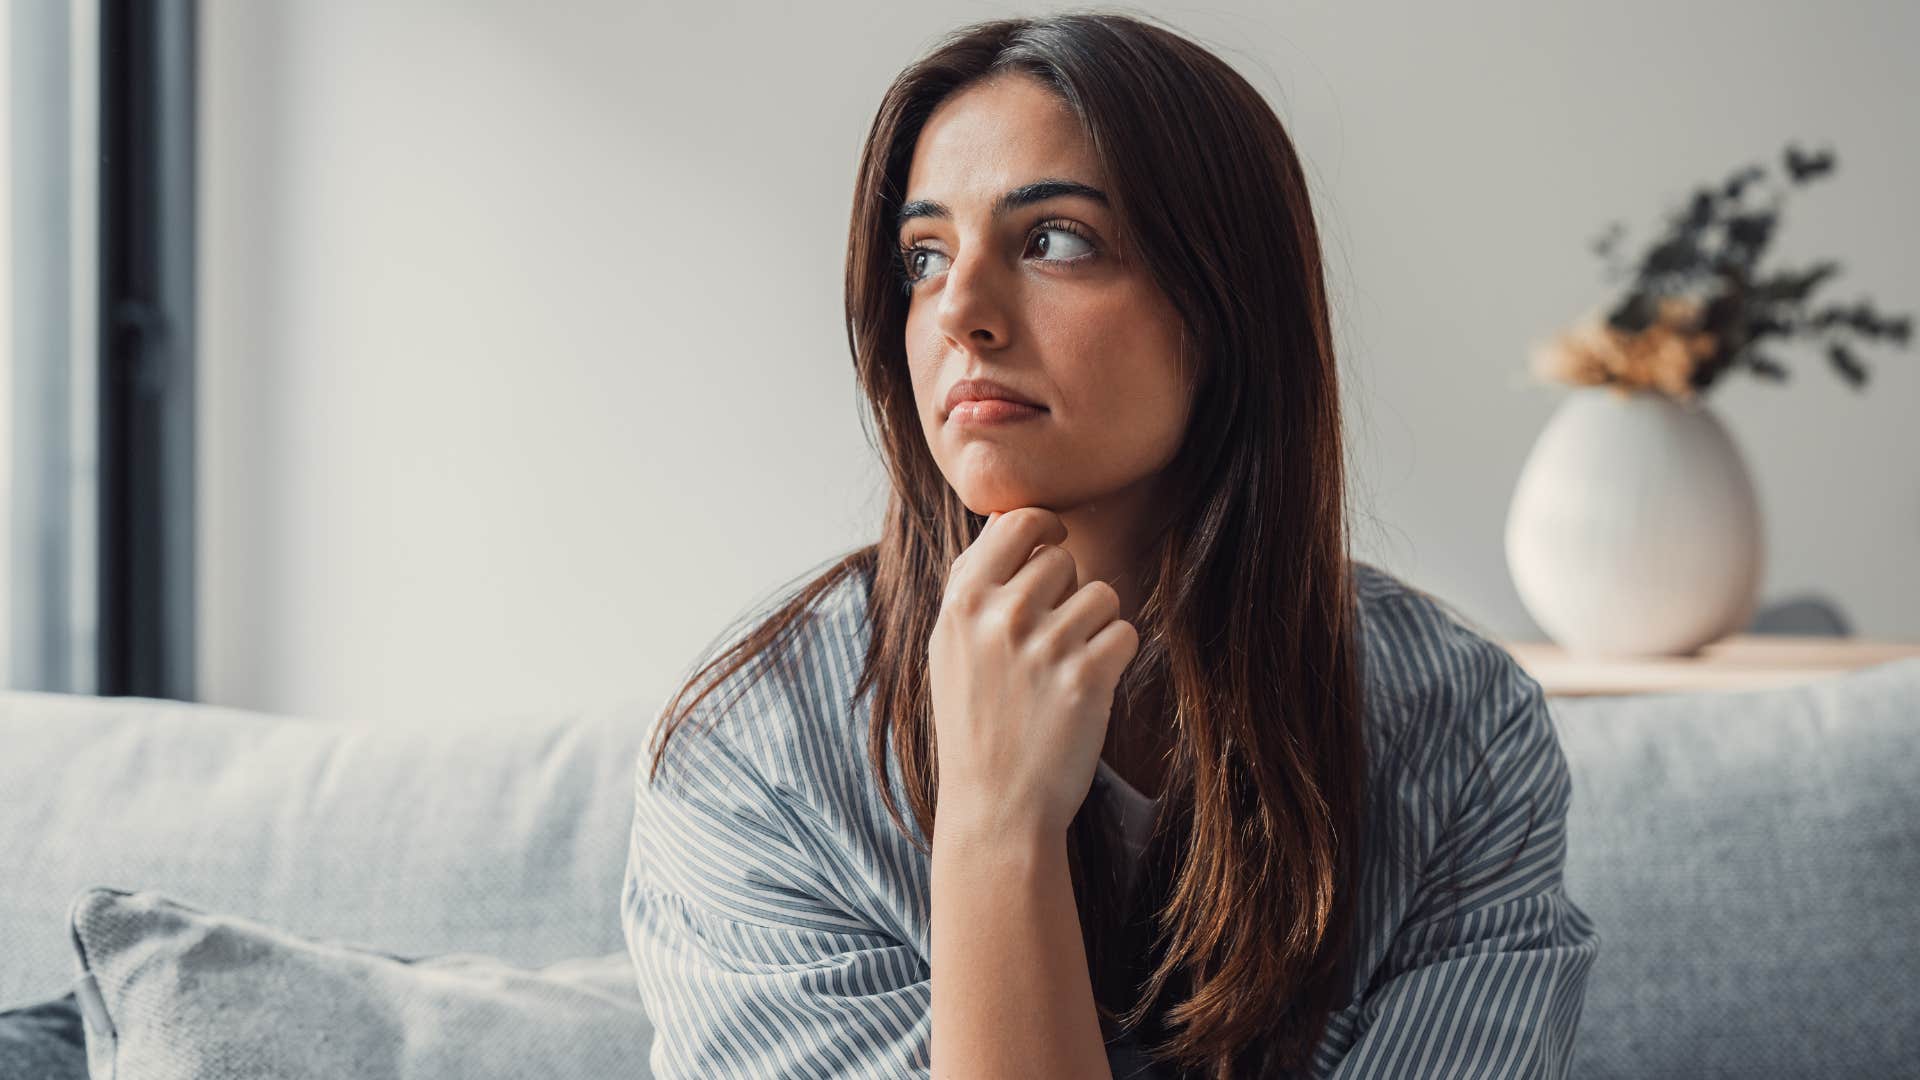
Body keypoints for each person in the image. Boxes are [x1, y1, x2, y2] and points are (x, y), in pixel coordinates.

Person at [621, 11, 1600, 1079]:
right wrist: (999, 833)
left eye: (1054, 241)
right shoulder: (756, 763)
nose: (961, 314)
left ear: (1227, 307)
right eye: (925, 255)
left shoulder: (1456, 734)